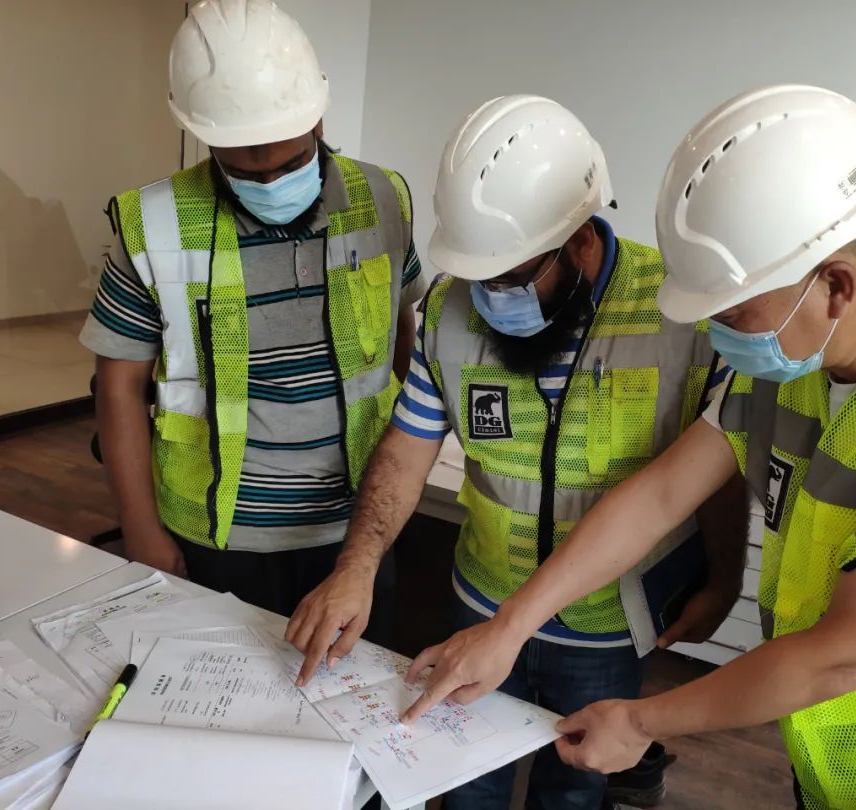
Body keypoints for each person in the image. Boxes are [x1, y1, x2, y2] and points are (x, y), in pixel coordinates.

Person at [401, 84, 856, 808]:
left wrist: (641, 721)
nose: (719, 332)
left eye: (732, 313)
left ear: (834, 285)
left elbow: (838, 659)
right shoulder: (798, 355)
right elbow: (662, 493)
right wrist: (509, 627)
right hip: (834, 757)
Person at [285, 95, 748, 810]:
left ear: (581, 239)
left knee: (573, 791)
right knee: (463, 782)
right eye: (482, 277)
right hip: (481, 597)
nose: (491, 296)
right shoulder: (448, 310)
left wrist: (724, 577)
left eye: (512, 277)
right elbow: (406, 448)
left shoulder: (678, 315)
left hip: (605, 628)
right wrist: (358, 565)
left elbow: (707, 476)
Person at [80, 0, 423, 620]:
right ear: (207, 138)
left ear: (317, 119)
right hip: (217, 532)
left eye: (290, 165)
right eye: (242, 168)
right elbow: (118, 386)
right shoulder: (153, 222)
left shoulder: (383, 198)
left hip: (354, 528)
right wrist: (140, 530)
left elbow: (400, 336)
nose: (269, 186)